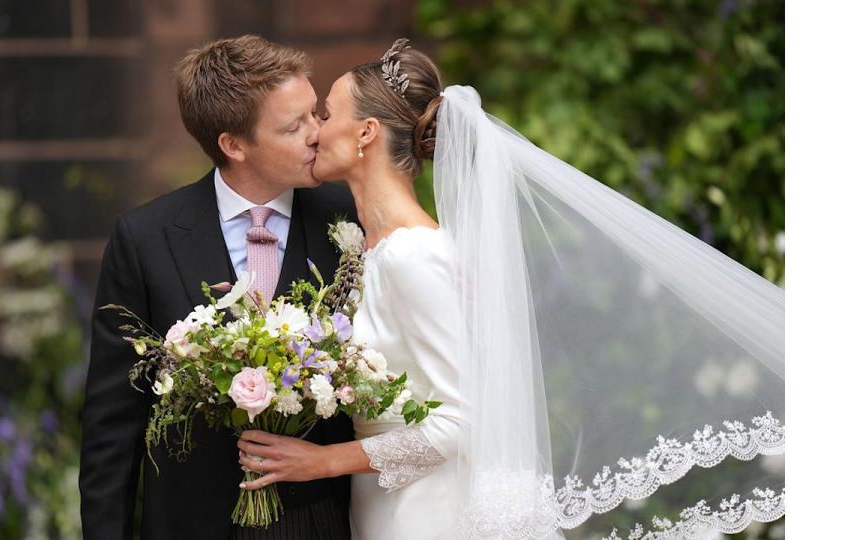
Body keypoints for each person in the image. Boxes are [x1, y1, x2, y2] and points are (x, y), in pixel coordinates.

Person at [234, 39, 785, 539]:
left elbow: (464, 420)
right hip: (386, 502)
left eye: (327, 113)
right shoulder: (374, 252)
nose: (315, 129)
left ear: (365, 134)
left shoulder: (413, 256)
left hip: (429, 512)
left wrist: (322, 461)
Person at [79, 35, 357, 540]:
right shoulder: (144, 238)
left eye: (315, 114)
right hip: (190, 522)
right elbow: (112, 424)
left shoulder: (351, 220)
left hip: (321, 520)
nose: (318, 134)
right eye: (294, 126)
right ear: (234, 145)